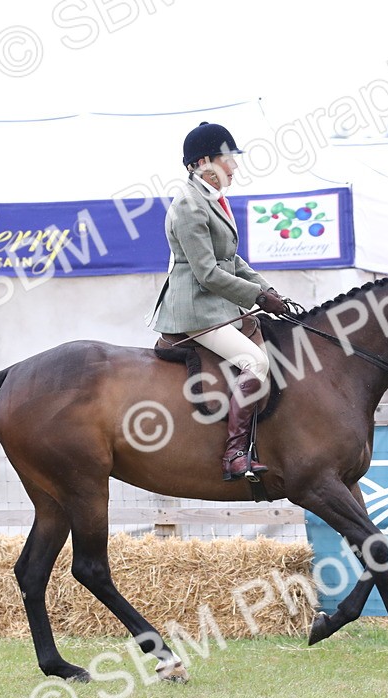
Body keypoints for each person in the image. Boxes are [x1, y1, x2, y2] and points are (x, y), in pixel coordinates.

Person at [151, 121, 294, 481]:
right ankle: (233, 455)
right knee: (256, 362)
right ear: (204, 163)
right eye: (228, 159)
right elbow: (207, 273)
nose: (234, 167)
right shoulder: (189, 205)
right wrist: (257, 296)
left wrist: (268, 290)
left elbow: (233, 260)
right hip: (196, 309)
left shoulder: (212, 200)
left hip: (218, 304)